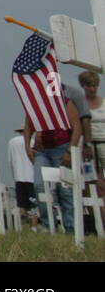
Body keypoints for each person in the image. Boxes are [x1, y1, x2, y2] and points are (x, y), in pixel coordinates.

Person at [23, 100, 81, 233]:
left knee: (65, 188)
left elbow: (77, 127)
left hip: (61, 147)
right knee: (39, 185)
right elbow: (28, 126)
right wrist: (27, 147)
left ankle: (71, 227)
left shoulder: (65, 102)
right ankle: (48, 224)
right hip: (41, 149)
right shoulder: (35, 101)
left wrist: (69, 151)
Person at [7, 127, 38, 229]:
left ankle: (22, 225)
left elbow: (10, 160)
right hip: (31, 175)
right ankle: (33, 226)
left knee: (21, 204)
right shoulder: (32, 142)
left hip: (18, 175)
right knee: (33, 204)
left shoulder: (12, 142)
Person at [81, 71, 104, 204]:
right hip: (88, 146)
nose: (92, 88)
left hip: (103, 143)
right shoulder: (81, 104)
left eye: (95, 85)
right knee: (93, 182)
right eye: (89, 85)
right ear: (83, 86)